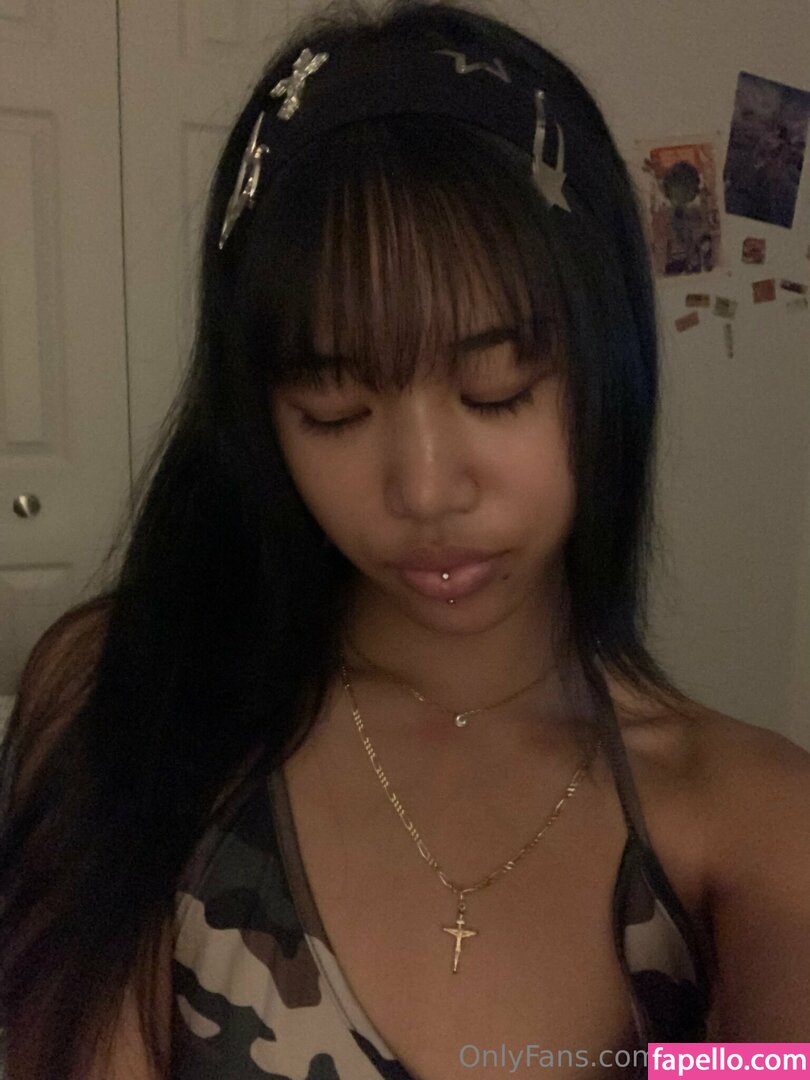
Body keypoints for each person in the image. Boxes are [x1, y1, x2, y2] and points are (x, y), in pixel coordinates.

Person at [1, 0, 809, 1076]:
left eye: (496, 390)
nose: (425, 489)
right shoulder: (129, 699)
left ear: (608, 363)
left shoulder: (749, 825)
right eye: (333, 409)